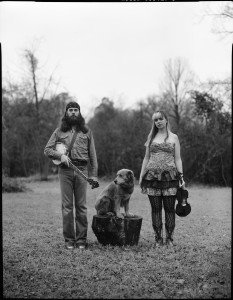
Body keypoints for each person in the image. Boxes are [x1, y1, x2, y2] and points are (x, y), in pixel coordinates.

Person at [44, 100, 98, 250]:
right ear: (66, 113)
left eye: (76, 110)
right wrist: (59, 155)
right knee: (67, 207)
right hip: (65, 171)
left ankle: (81, 240)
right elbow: (47, 149)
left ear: (79, 113)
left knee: (81, 206)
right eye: (71, 110)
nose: (73, 112)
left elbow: (93, 156)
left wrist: (93, 175)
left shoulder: (87, 131)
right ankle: (69, 240)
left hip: (82, 171)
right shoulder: (58, 131)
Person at [139, 111, 185, 247]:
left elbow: (178, 158)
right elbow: (146, 158)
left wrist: (181, 177)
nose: (158, 121)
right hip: (152, 177)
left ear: (166, 120)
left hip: (170, 176)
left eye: (160, 119)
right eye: (155, 120)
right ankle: (158, 239)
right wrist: (142, 176)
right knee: (156, 209)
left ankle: (169, 238)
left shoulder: (174, 137)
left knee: (170, 209)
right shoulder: (151, 137)